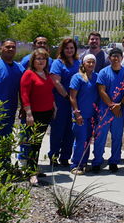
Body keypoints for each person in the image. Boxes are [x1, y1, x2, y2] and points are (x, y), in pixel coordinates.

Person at [20, 48, 65, 185]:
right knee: (33, 143)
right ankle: (31, 173)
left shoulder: (46, 74)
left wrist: (54, 105)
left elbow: (49, 91)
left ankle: (34, 168)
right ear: (33, 60)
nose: (41, 61)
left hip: (47, 112)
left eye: (43, 59)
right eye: (38, 58)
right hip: (35, 114)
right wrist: (28, 113)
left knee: (38, 144)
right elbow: (24, 95)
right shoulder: (28, 74)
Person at [91, 48, 124, 173]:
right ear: (109, 58)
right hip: (105, 109)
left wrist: (120, 104)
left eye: (118, 56)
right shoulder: (103, 72)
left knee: (117, 137)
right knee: (100, 136)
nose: (116, 58)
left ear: (122, 58)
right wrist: (112, 105)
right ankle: (97, 161)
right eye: (113, 56)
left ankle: (114, 161)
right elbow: (102, 91)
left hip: (120, 110)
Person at [48, 38, 79, 167]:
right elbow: (56, 82)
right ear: (62, 49)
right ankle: (54, 156)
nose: (69, 50)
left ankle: (65, 157)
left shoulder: (78, 62)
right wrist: (67, 96)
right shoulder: (58, 63)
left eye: (72, 48)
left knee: (70, 131)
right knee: (57, 130)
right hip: (61, 101)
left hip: (74, 102)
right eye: (67, 48)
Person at [68, 54, 98, 174]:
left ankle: (84, 162)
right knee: (80, 140)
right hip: (80, 115)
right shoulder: (77, 77)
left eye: (93, 62)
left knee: (87, 140)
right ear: (83, 63)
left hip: (91, 115)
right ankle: (75, 164)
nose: (90, 64)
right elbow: (72, 97)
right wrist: (76, 113)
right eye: (88, 62)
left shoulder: (96, 77)